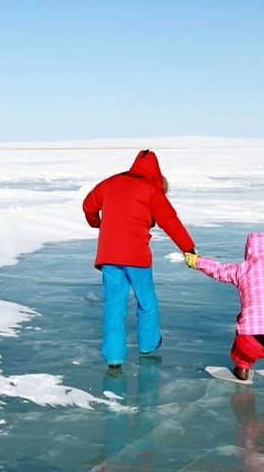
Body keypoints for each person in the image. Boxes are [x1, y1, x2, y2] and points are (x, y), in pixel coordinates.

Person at [83, 149, 196, 369]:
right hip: (137, 257)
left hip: (109, 256)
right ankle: (148, 344)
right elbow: (170, 221)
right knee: (146, 301)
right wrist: (188, 249)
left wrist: (96, 222)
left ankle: (114, 357)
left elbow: (88, 205)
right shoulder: (152, 191)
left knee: (114, 305)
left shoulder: (109, 183)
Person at [185, 232, 264, 381]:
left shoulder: (241, 269)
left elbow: (217, 269)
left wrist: (196, 261)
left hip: (249, 342)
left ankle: (242, 368)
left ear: (248, 250)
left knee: (243, 326)